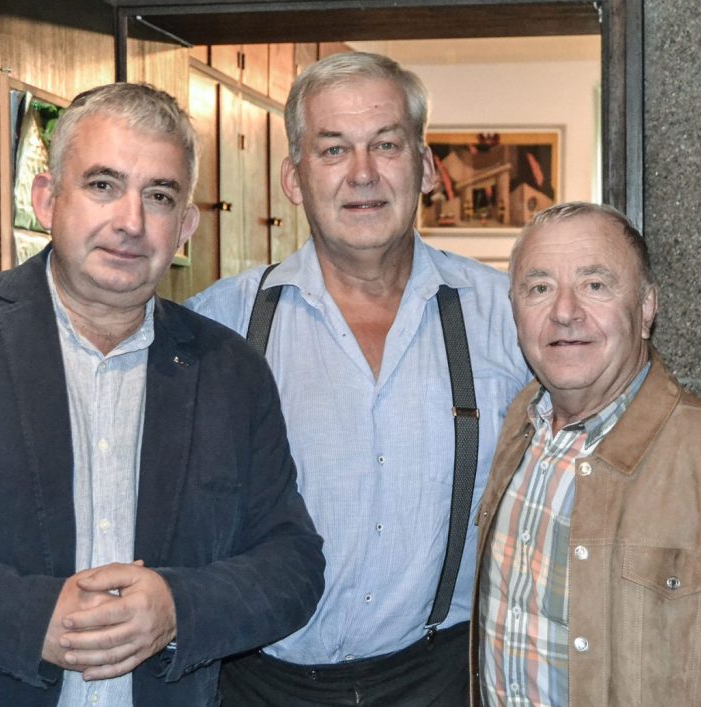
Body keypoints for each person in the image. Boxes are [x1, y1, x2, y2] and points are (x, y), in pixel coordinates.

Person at [0, 82, 324, 706]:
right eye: (102, 185)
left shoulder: (231, 371)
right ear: (47, 199)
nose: (130, 222)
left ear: (185, 226)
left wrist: (178, 609)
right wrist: (31, 619)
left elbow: (292, 563)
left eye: (159, 196)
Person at [185, 52, 529, 705]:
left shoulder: (507, 319)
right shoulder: (219, 323)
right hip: (256, 684)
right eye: (334, 149)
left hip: (440, 681)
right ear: (294, 177)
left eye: (387, 145)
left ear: (426, 167)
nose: (363, 173)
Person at [471, 201, 701, 705]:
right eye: (539, 288)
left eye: (594, 285)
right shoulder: (518, 424)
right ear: (515, 311)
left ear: (646, 308)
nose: (564, 311)